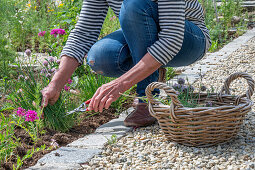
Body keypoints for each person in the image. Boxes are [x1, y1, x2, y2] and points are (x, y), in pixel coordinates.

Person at [41, 0, 211, 127]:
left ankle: (147, 101)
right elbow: (84, 33)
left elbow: (172, 39)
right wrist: (55, 84)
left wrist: (119, 84)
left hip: (189, 36)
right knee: (101, 57)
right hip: (145, 31)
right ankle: (152, 69)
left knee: (134, 5)